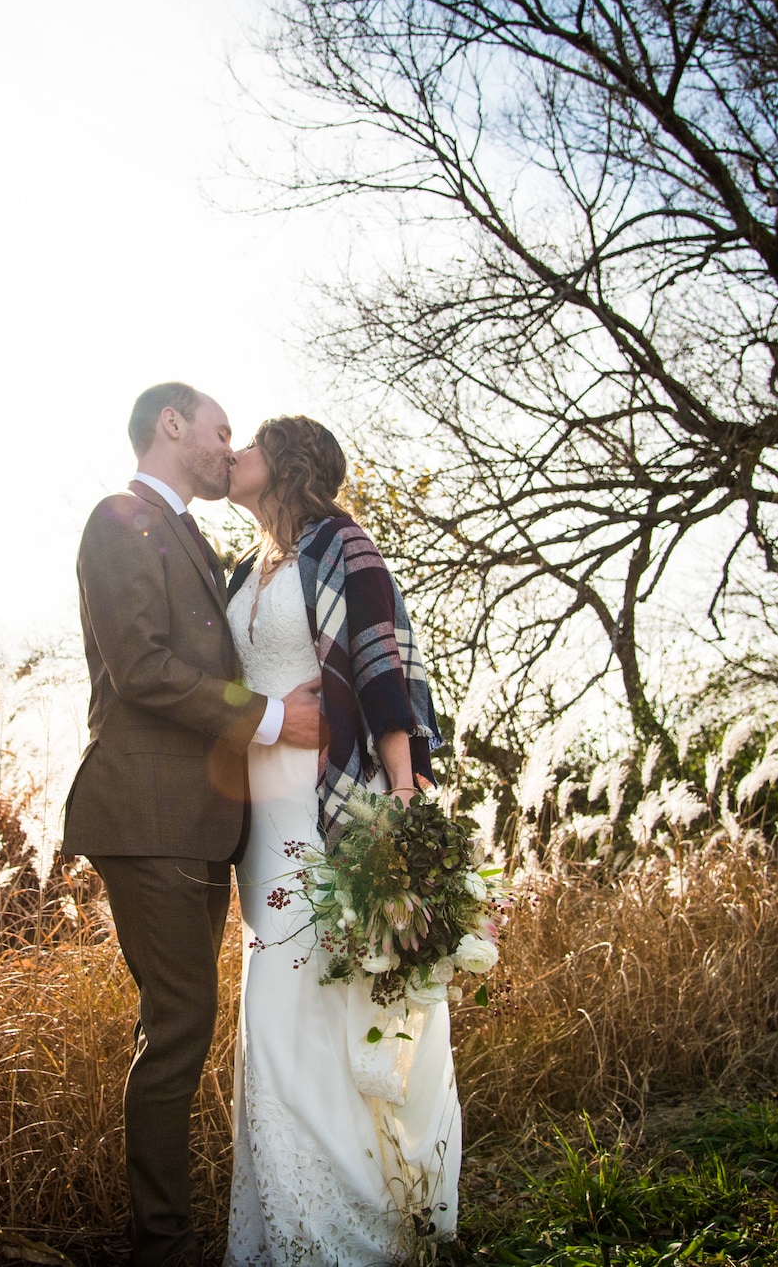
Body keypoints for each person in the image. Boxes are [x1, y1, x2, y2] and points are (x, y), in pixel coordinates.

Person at [64, 382, 323, 1267]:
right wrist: (269, 719)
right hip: (148, 815)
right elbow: (140, 666)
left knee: (184, 1023)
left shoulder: (197, 539)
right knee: (177, 1027)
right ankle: (163, 1249)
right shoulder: (118, 519)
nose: (227, 447)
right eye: (218, 431)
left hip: (201, 823)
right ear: (171, 426)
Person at [222, 414, 459, 1265]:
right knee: (274, 1005)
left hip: (331, 806)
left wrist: (401, 789)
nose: (233, 456)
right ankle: (288, 1219)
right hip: (258, 816)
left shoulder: (341, 543)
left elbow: (379, 663)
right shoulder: (244, 566)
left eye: (247, 444)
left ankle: (355, 1229)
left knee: (327, 998)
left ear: (285, 465)